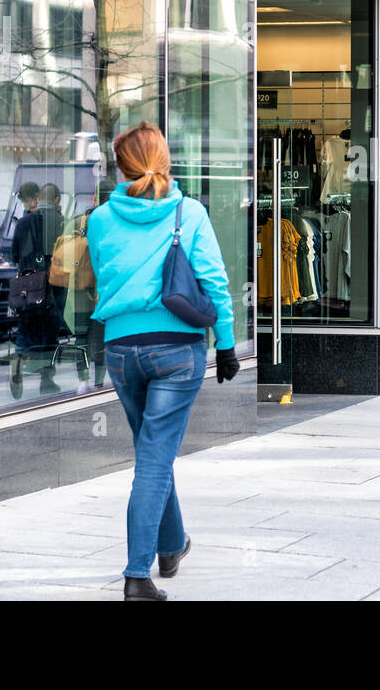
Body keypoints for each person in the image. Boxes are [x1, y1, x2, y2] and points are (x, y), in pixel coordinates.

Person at [86, 121, 239, 601]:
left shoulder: (99, 218)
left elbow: (101, 279)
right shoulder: (188, 211)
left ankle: (171, 545)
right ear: (166, 160)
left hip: (121, 351)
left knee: (153, 451)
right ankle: (136, 574)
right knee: (154, 458)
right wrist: (228, 342)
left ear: (120, 167)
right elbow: (214, 281)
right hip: (177, 349)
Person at [11, 181, 66, 394]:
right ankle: (46, 379)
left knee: (26, 325)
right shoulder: (61, 221)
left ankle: (18, 359)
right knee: (49, 331)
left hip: (28, 285)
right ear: (56, 200)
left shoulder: (23, 222)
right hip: (52, 285)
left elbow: (15, 255)